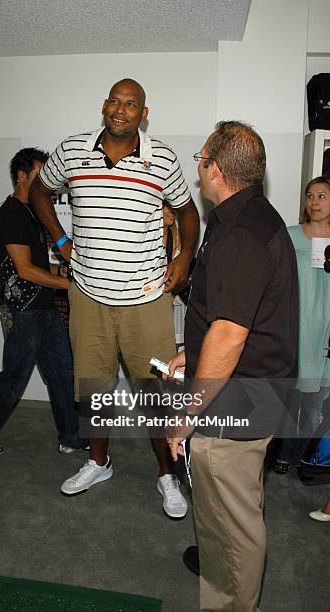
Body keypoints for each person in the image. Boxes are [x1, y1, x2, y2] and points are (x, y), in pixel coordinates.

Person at [29, 78, 199, 518]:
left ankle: (168, 475)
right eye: (114, 101)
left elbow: (187, 209)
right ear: (104, 106)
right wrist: (60, 239)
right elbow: (39, 192)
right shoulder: (71, 150)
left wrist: (183, 258)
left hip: (145, 300)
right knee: (94, 387)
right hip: (88, 296)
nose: (120, 110)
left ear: (144, 113)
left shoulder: (161, 157)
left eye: (131, 104)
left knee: (155, 393)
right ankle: (98, 461)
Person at [166, 121, 298, 611]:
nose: (198, 167)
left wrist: (187, 416)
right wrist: (191, 354)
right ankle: (221, 577)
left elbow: (230, 333)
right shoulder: (249, 217)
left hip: (235, 402)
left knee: (236, 523)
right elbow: (231, 313)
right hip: (246, 391)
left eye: (201, 159)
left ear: (216, 170)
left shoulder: (241, 232)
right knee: (229, 511)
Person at [0, 148, 86, 456]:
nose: (46, 181)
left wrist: (71, 272)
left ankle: (71, 436)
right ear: (22, 176)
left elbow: (41, 266)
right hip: (22, 312)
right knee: (15, 376)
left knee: (63, 372)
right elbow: (24, 270)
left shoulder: (33, 213)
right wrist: (68, 285)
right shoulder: (11, 214)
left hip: (45, 309)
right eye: (39, 174)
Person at [273, 176, 330, 473]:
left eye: (322, 195)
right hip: (295, 327)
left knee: (316, 403)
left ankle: (306, 456)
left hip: (326, 329)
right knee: (287, 396)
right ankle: (282, 452)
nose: (314, 202)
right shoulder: (290, 235)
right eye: (310, 195)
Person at [163, 202, 187, 347]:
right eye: (167, 206)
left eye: (175, 208)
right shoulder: (146, 239)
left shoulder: (180, 235)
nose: (173, 211)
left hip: (176, 307)